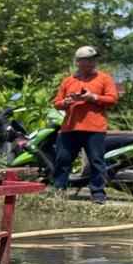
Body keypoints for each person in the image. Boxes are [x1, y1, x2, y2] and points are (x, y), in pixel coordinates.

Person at [51, 46, 119, 205]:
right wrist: (65, 102)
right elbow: (57, 102)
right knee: (63, 160)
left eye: (94, 59)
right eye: (88, 59)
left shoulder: (104, 78)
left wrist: (93, 97)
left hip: (94, 128)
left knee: (96, 162)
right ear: (79, 62)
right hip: (69, 128)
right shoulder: (69, 80)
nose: (92, 62)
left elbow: (113, 99)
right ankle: (58, 191)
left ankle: (98, 194)